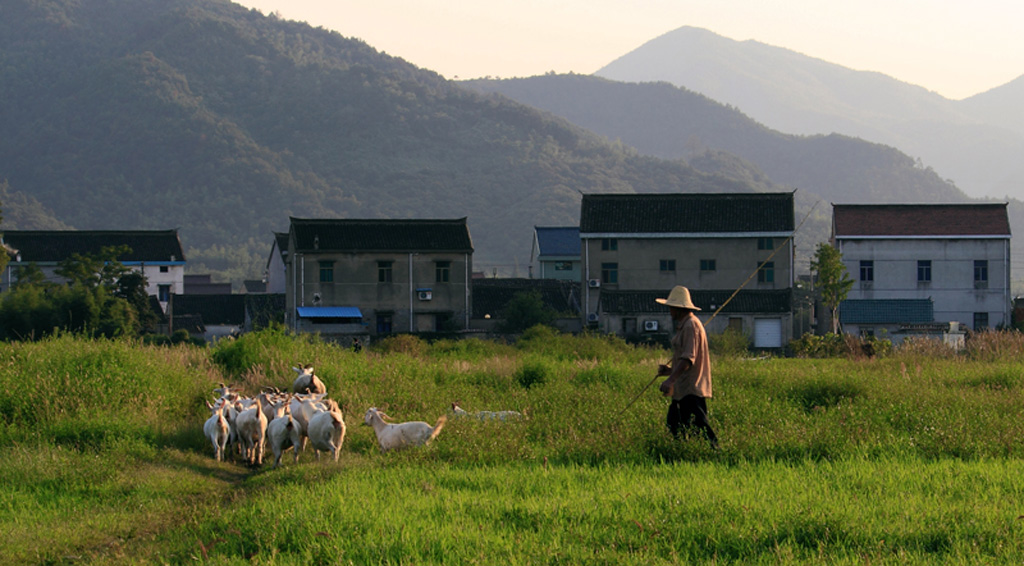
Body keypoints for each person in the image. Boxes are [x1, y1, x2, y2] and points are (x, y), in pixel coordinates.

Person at [655, 285, 718, 449]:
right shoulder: (687, 325)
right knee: (675, 424)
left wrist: (670, 380)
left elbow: (688, 359)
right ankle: (685, 454)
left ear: (678, 308)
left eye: (671, 307)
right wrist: (668, 371)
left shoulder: (691, 326)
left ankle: (716, 453)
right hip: (683, 389)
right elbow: (685, 360)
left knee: (701, 428)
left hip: (691, 389)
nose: (669, 311)